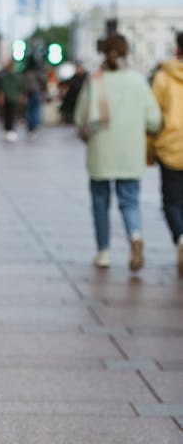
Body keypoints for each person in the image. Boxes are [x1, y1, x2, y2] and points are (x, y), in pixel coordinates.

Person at [74, 33, 162, 270]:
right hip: (130, 153)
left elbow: (79, 117)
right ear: (127, 52)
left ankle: (103, 252)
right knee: (130, 201)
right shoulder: (138, 81)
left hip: (101, 152)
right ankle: (135, 236)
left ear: (104, 53)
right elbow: (154, 120)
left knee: (100, 202)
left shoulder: (95, 79)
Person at [150, 31, 183, 276]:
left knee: (171, 201)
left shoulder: (163, 77)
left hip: (170, 147)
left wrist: (150, 149)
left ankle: (180, 237)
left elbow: (152, 118)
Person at [0, 58, 25, 141]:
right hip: (8, 98)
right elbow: (1, 88)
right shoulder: (5, 77)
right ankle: (8, 129)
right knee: (8, 114)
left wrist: (21, 96)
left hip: (12, 98)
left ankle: (10, 129)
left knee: (11, 114)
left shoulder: (15, 77)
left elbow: (21, 88)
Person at [23, 54, 47, 139]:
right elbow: (43, 82)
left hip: (28, 93)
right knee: (36, 110)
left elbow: (24, 84)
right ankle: (35, 127)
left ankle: (30, 128)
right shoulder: (38, 72)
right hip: (36, 92)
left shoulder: (26, 72)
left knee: (29, 111)